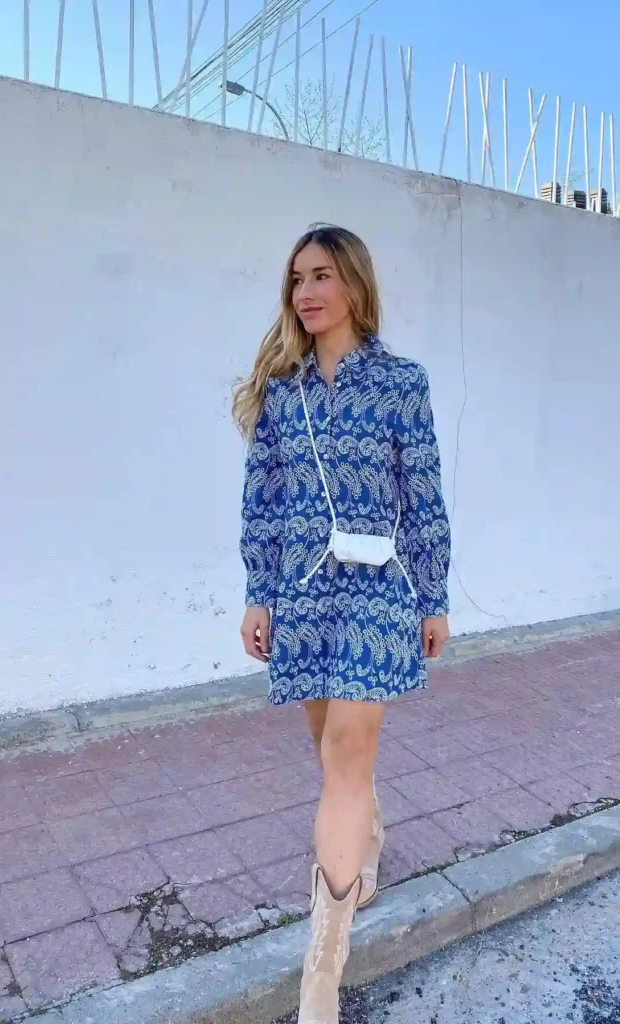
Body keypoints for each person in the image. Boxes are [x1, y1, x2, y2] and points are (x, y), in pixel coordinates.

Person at [234, 224, 451, 1023]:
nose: (306, 293)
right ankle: (367, 829)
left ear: (355, 284)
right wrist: (260, 592)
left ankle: (321, 969)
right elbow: (264, 499)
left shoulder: (401, 383)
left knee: (348, 751)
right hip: (300, 592)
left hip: (378, 590)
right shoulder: (282, 391)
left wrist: (434, 595)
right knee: (333, 758)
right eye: (296, 279)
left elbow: (423, 494)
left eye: (321, 275)